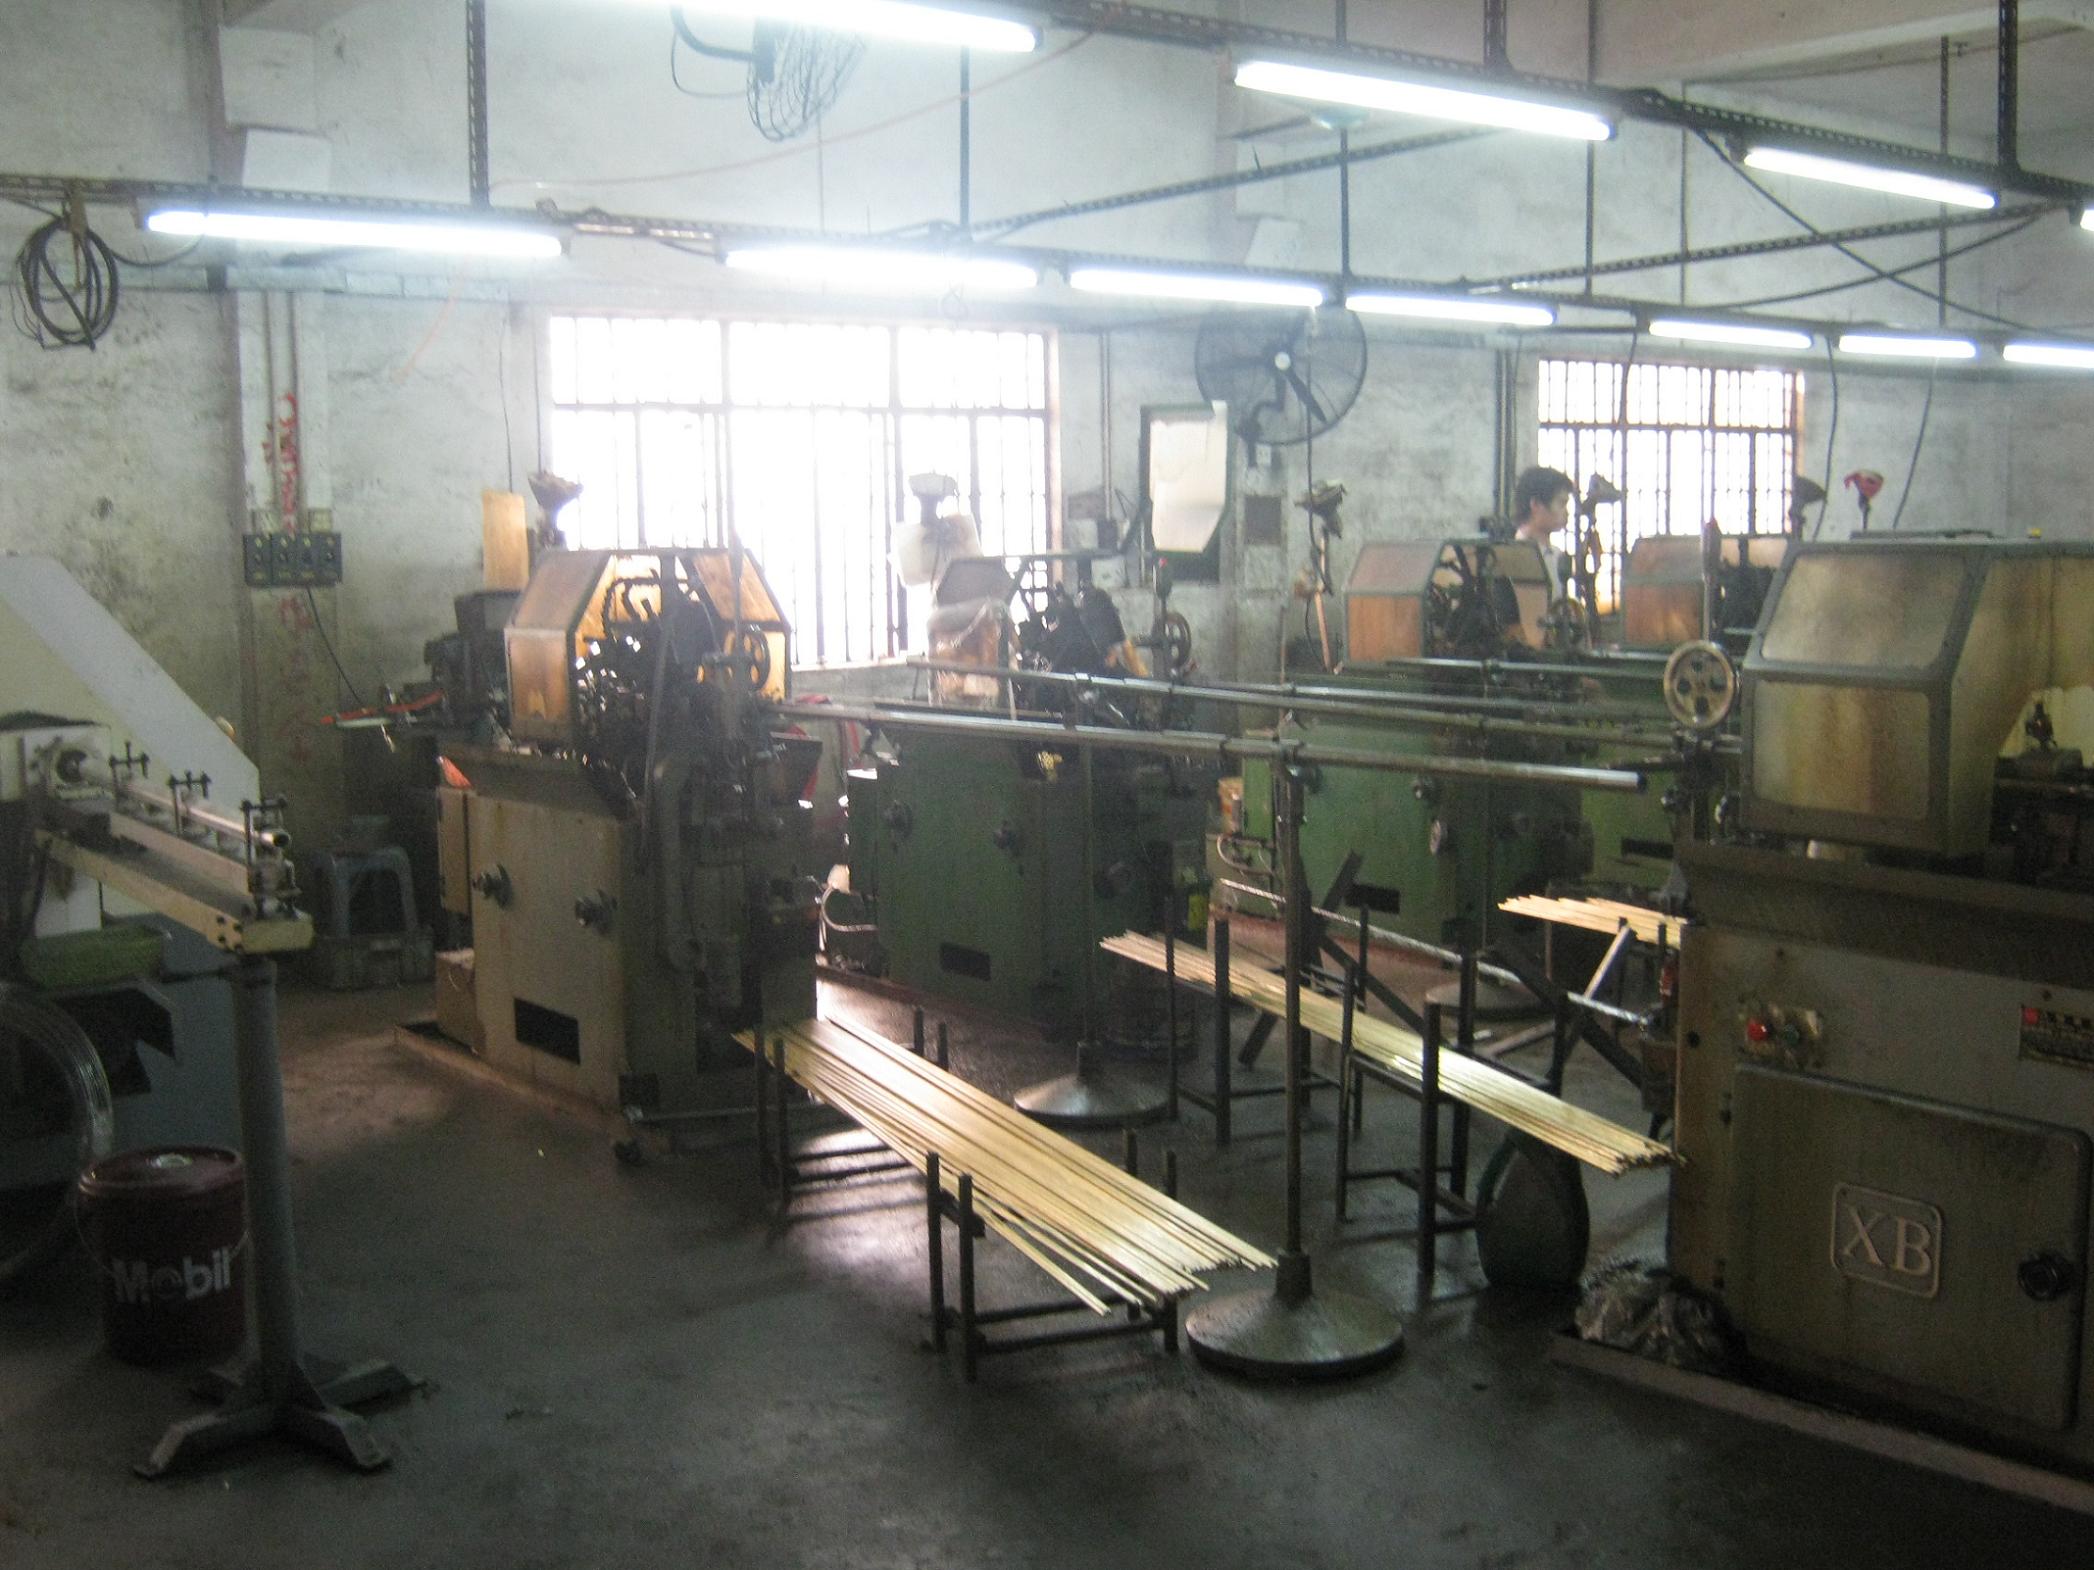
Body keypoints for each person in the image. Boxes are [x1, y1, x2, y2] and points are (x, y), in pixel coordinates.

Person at [1509, 465, 1578, 603]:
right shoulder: (1510, 557)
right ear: (1535, 504)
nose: (1567, 512)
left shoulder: (1558, 555)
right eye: (1561, 503)